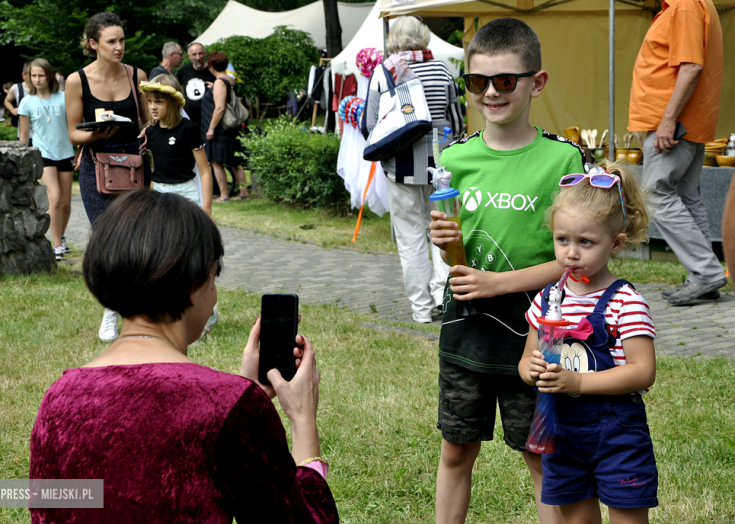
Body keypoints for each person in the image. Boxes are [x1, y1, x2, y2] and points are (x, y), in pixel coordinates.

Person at [29, 190, 338, 523]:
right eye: (213, 277)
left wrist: (247, 400)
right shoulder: (227, 406)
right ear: (193, 285)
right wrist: (303, 422)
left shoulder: (58, 399)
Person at [429, 18, 586, 524]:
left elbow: (574, 261)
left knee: (540, 456)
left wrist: (499, 283)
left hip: (540, 334)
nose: (490, 93)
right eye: (478, 82)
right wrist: (445, 245)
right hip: (466, 331)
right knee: (456, 450)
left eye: (505, 81)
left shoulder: (562, 159)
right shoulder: (454, 159)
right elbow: (455, 260)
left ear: (537, 82)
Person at [519, 162, 657, 524]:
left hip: (617, 435)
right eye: (562, 239)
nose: (571, 253)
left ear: (616, 244)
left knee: (628, 518)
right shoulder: (549, 298)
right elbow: (525, 361)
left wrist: (579, 382)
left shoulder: (625, 301)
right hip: (561, 431)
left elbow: (643, 372)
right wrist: (531, 371)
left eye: (586, 242)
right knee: (577, 519)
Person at [361, 16, 463, 323]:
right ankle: (445, 299)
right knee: (443, 233)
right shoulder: (443, 69)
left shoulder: (384, 71)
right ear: (424, 36)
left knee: (410, 237)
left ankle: (421, 309)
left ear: (394, 39)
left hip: (399, 165)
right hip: (442, 167)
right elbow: (457, 122)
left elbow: (370, 124)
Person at [628, 0, 725, 305]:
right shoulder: (694, 5)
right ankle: (702, 276)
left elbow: (692, 66)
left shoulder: (684, 6)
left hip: (673, 124)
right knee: (687, 195)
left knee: (656, 192)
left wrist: (668, 121)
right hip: (687, 122)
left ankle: (706, 272)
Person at [65, 11, 149, 343]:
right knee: (106, 239)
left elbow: (147, 120)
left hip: (133, 163)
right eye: (111, 41)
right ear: (93, 43)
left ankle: (139, 309)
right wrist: (97, 134)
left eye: (122, 40)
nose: (119, 47)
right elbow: (73, 133)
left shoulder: (135, 75)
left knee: (137, 236)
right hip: (95, 164)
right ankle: (112, 308)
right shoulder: (77, 80)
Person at [140, 74, 219, 338]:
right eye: (150, 101)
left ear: (173, 103)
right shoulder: (150, 133)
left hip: (186, 194)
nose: (153, 107)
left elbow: (205, 172)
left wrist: (206, 211)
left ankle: (207, 311)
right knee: (163, 254)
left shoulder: (189, 129)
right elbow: (154, 172)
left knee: (190, 255)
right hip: (160, 194)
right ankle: (170, 312)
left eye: (159, 102)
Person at [19, 58, 75, 262]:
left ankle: (60, 236)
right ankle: (56, 245)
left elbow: (74, 126)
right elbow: (24, 136)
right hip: (44, 154)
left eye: (41, 75)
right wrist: (22, 159)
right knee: (54, 197)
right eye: (33, 75)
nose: (37, 79)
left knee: (66, 203)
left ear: (49, 76)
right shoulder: (27, 102)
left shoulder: (63, 98)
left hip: (66, 153)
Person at [202, 51, 249, 202]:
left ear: (211, 66)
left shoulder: (219, 83)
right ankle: (244, 193)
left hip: (221, 129)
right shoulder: (230, 79)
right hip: (231, 127)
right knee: (235, 162)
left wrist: (211, 128)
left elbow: (220, 107)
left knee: (216, 161)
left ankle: (224, 195)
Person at [176, 42, 214, 128]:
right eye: (194, 54)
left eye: (200, 53)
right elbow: (174, 86)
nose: (198, 57)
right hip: (189, 120)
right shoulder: (184, 70)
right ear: (189, 56)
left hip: (209, 120)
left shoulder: (213, 70)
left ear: (205, 54)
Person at [5, 62, 33, 141]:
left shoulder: (43, 89)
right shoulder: (16, 88)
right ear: (24, 75)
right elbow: (7, 101)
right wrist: (12, 110)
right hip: (23, 133)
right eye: (32, 75)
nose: (35, 78)